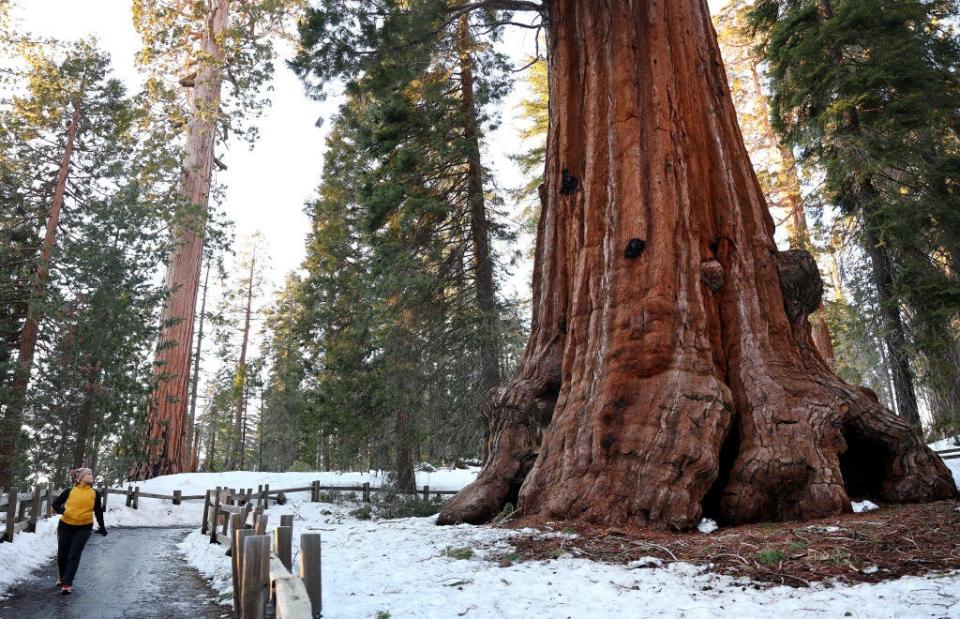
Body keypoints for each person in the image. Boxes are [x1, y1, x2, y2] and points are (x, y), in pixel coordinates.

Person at [51, 467, 107, 595]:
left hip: (84, 527)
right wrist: (63, 512)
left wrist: (102, 527)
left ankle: (67, 584)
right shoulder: (70, 491)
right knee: (62, 555)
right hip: (65, 525)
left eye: (92, 473)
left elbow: (98, 512)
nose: (91, 475)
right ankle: (61, 576)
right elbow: (55, 504)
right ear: (81, 477)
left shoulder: (94, 493)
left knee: (74, 555)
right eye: (88, 474)